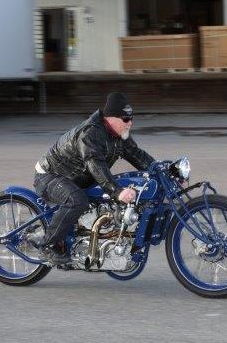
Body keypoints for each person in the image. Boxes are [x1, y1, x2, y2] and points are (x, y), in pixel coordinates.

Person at [30, 92, 155, 264]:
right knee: (77, 200)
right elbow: (94, 163)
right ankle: (47, 246)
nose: (130, 123)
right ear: (111, 118)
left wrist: (162, 170)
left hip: (78, 179)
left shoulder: (119, 135)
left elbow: (137, 154)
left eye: (131, 118)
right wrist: (117, 191)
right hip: (50, 176)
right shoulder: (89, 133)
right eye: (126, 119)